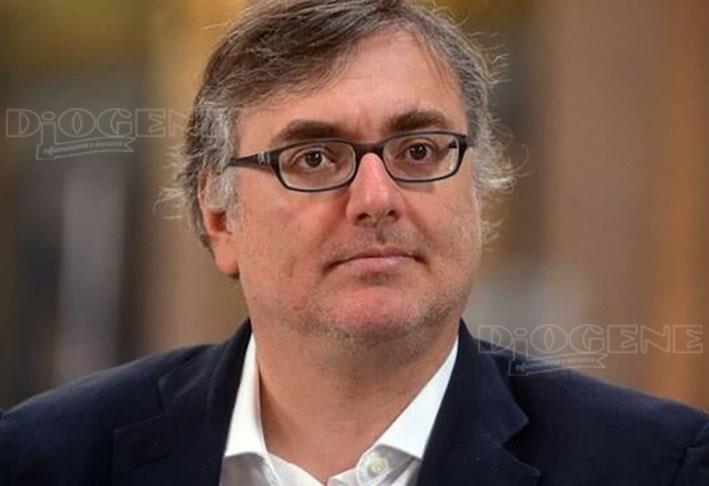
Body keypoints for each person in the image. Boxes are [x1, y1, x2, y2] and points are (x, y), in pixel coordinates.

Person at [1, 1, 707, 485]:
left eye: (420, 150)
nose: (376, 198)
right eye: (313, 159)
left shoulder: (657, 465)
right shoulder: (40, 459)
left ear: (479, 193)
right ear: (220, 218)